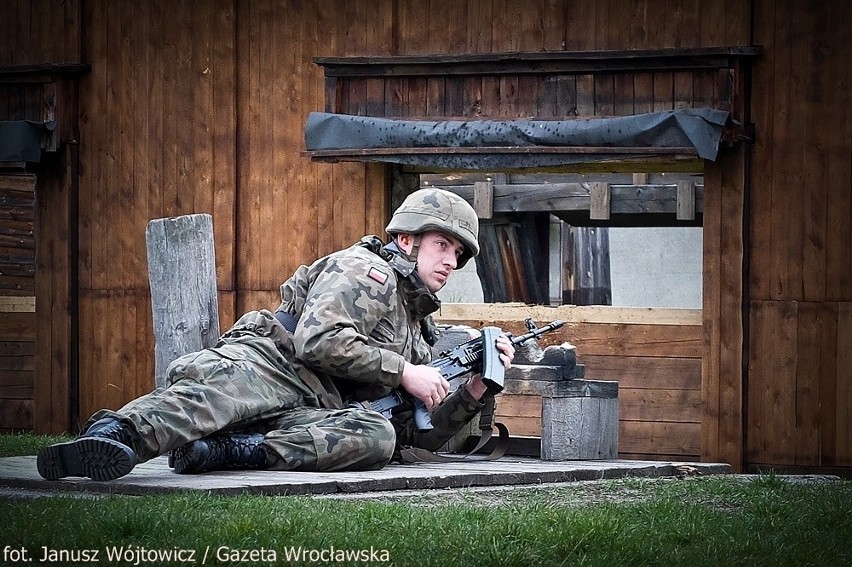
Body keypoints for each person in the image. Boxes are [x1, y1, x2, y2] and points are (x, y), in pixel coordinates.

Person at [37, 188, 514, 481]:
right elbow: (317, 340)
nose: (450, 261)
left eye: (458, 252)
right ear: (407, 239)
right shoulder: (367, 270)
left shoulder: (417, 326)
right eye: (441, 245)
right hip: (276, 364)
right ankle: (112, 437)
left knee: (378, 437)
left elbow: (414, 433)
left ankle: (227, 451)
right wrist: (404, 371)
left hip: (316, 409)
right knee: (211, 400)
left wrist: (475, 389)